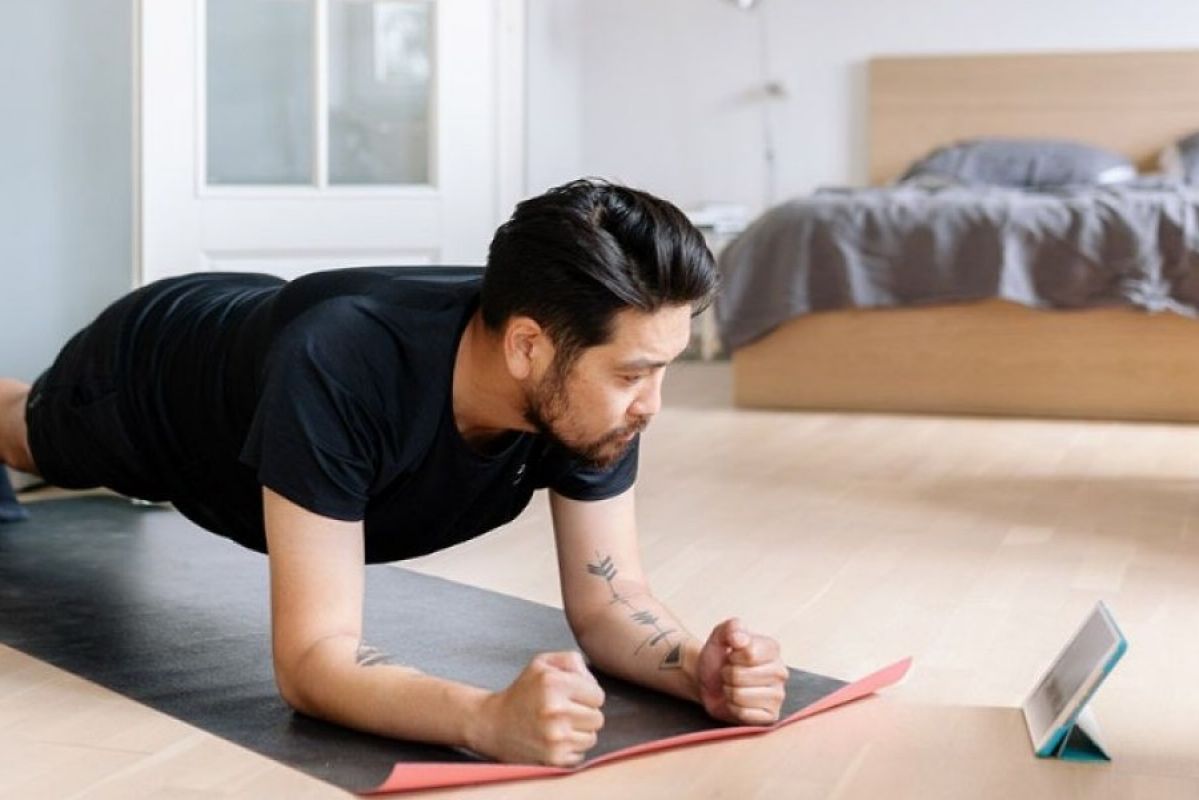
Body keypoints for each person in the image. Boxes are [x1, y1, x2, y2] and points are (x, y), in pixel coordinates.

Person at [0, 179, 787, 766]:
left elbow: (612, 601)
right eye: (632, 375)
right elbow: (313, 661)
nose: (652, 403)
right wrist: (484, 718)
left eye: (662, 370)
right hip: (155, 373)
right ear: (525, 347)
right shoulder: (342, 365)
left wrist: (695, 670)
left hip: (268, 337)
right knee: (26, 439)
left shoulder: (589, 386)